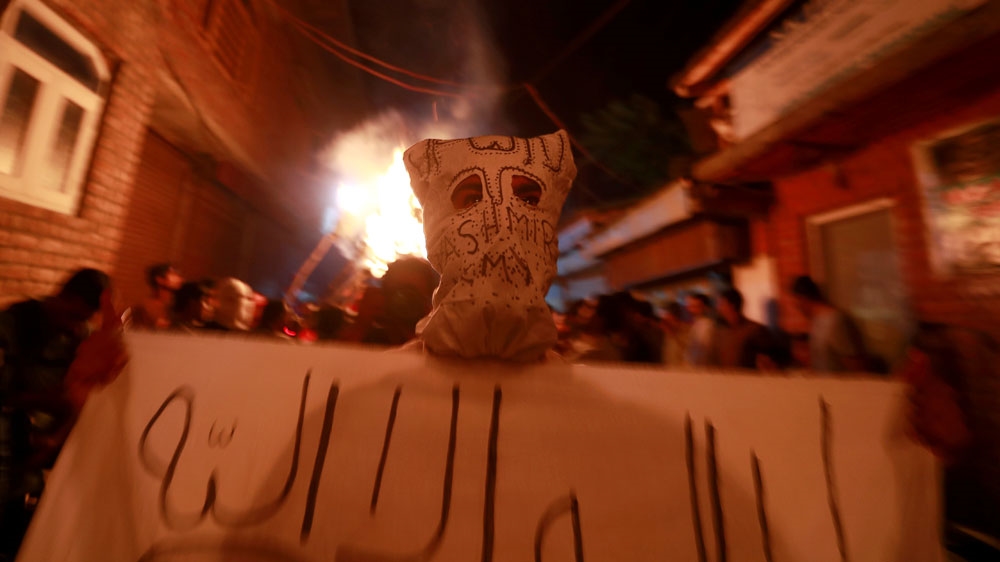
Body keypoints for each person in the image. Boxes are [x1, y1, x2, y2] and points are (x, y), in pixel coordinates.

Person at [401, 130, 576, 361]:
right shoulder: (379, 385)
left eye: (528, 200)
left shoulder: (576, 394)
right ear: (436, 222)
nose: (504, 220)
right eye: (473, 199)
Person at [0, 268, 127, 558]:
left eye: (83, 320)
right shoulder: (14, 325)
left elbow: (90, 398)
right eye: (73, 316)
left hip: (39, 458)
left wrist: (57, 437)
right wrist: (51, 402)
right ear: (62, 296)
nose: (74, 328)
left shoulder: (80, 336)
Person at [790, 276, 868, 373]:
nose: (798, 310)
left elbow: (855, 363)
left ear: (803, 299)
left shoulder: (835, 321)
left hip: (840, 386)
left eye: (796, 304)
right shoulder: (817, 321)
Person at [712, 288, 777, 370]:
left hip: (749, 381)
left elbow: (770, 358)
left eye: (721, 304)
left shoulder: (754, 329)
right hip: (726, 380)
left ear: (732, 305)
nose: (718, 308)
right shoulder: (720, 331)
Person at [131, 263, 182, 330]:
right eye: (173, 274)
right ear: (160, 280)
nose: (179, 278)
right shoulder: (145, 307)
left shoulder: (172, 307)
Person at [685, 292, 715, 367]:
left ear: (705, 308)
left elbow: (702, 353)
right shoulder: (695, 324)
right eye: (690, 306)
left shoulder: (708, 325)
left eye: (695, 306)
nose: (691, 309)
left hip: (701, 369)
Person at [660, 301, 690, 367]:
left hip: (682, 371)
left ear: (673, 316)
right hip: (668, 370)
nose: (663, 319)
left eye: (666, 315)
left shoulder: (687, 330)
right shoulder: (665, 331)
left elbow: (688, 352)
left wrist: (673, 334)